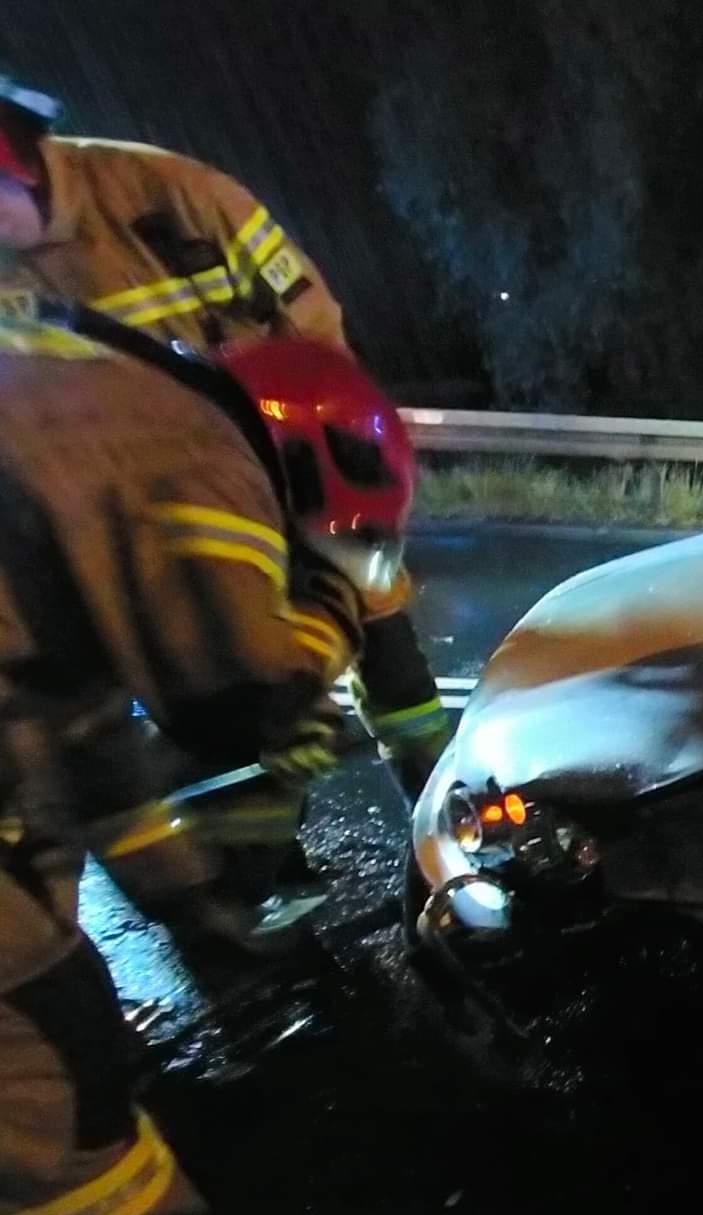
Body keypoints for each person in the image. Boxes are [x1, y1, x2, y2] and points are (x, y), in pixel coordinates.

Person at [0, 311, 391, 1215]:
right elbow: (246, 686)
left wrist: (191, 904)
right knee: (62, 1087)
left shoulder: (80, 427)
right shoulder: (187, 446)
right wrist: (341, 599)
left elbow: (83, 745)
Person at [0, 71, 450, 924]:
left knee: (389, 662)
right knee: (255, 704)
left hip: (299, 466)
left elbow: (316, 337)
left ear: (17, 161)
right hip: (166, 524)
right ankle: (256, 887)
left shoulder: (172, 199)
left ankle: (448, 821)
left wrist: (333, 487)